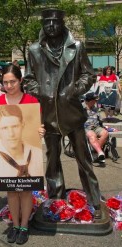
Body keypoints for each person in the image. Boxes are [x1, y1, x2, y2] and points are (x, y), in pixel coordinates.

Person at [23, 8, 102, 219]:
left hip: (72, 113)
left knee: (84, 160)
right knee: (52, 161)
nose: (51, 26)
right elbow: (28, 79)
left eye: (55, 22)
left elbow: (89, 74)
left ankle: (94, 200)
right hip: (48, 114)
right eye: (47, 22)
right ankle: (56, 201)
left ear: (62, 23)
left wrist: (74, 90)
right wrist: (41, 92)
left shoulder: (76, 47)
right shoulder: (34, 50)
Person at [0, 65, 45, 245]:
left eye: (12, 81)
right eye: (5, 82)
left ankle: (24, 226)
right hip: (5, 156)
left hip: (26, 152)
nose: (9, 85)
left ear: (20, 80)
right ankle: (15, 225)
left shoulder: (31, 101)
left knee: (25, 191)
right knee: (11, 191)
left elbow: (36, 126)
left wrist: (40, 131)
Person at [83, 92, 109, 164]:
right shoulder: (81, 108)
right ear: (90, 101)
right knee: (92, 135)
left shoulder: (96, 108)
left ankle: (94, 151)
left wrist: (105, 121)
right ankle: (100, 152)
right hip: (85, 128)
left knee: (105, 133)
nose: (96, 102)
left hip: (96, 127)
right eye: (95, 100)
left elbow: (100, 119)